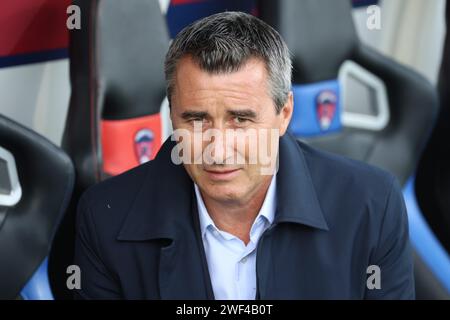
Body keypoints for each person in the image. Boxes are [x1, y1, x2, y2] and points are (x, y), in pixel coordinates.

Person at [74, 11, 414, 299]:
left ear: (284, 114)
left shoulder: (372, 206)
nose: (218, 150)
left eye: (240, 120)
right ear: (172, 115)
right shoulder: (106, 219)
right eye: (196, 119)